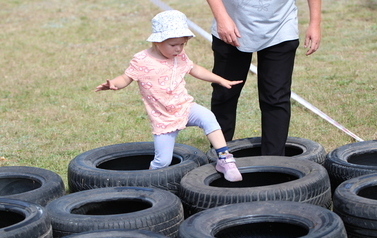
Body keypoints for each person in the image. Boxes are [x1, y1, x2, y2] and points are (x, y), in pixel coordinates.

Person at [95, 10, 243, 182]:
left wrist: (220, 80)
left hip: (184, 107)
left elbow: (195, 69)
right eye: (174, 45)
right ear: (157, 41)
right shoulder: (142, 60)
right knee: (162, 161)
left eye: (182, 44)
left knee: (208, 117)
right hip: (163, 118)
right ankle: (149, 182)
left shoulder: (179, 56)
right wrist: (113, 84)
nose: (179, 49)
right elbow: (126, 77)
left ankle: (225, 159)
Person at [206, 0, 322, 155]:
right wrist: (221, 18)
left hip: (280, 27)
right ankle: (219, 154)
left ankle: (273, 162)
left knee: (276, 97)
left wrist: (315, 23)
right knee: (225, 93)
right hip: (231, 25)